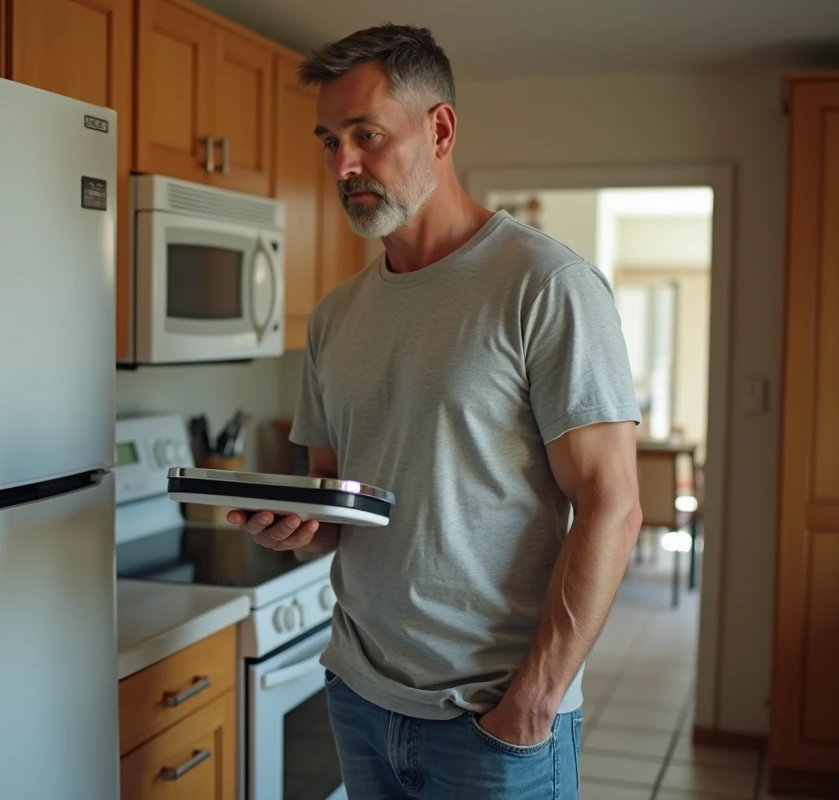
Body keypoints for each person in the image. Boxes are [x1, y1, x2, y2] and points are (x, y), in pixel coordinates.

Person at [227, 23, 643, 800]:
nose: (342, 164)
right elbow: (337, 500)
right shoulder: (336, 315)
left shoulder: (545, 286)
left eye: (366, 135)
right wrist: (296, 528)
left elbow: (613, 509)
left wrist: (533, 701)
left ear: (440, 129)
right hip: (358, 694)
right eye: (329, 140)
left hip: (492, 719)